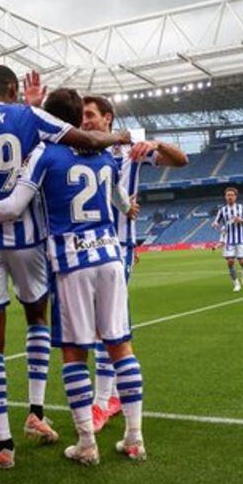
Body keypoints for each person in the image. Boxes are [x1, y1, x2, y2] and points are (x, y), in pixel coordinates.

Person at [0, 66, 131, 468]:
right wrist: (119, 137)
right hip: (27, 240)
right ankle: (35, 412)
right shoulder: (28, 117)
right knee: (38, 318)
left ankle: (3, 444)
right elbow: (85, 139)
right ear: (12, 89)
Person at [80, 95, 188, 432]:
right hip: (84, 245)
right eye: (81, 116)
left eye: (90, 116)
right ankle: (109, 396)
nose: (84, 122)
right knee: (102, 322)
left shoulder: (129, 150)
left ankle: (102, 402)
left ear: (108, 118)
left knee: (105, 324)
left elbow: (181, 160)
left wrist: (153, 141)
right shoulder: (77, 148)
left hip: (117, 245)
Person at [212, 188, 243, 292]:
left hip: (241, 239)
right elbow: (216, 221)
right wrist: (215, 224)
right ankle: (236, 283)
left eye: (232, 195)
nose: (230, 197)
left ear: (235, 196)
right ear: (225, 197)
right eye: (228, 195)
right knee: (230, 261)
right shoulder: (222, 210)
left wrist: (240, 220)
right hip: (229, 240)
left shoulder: (241, 208)